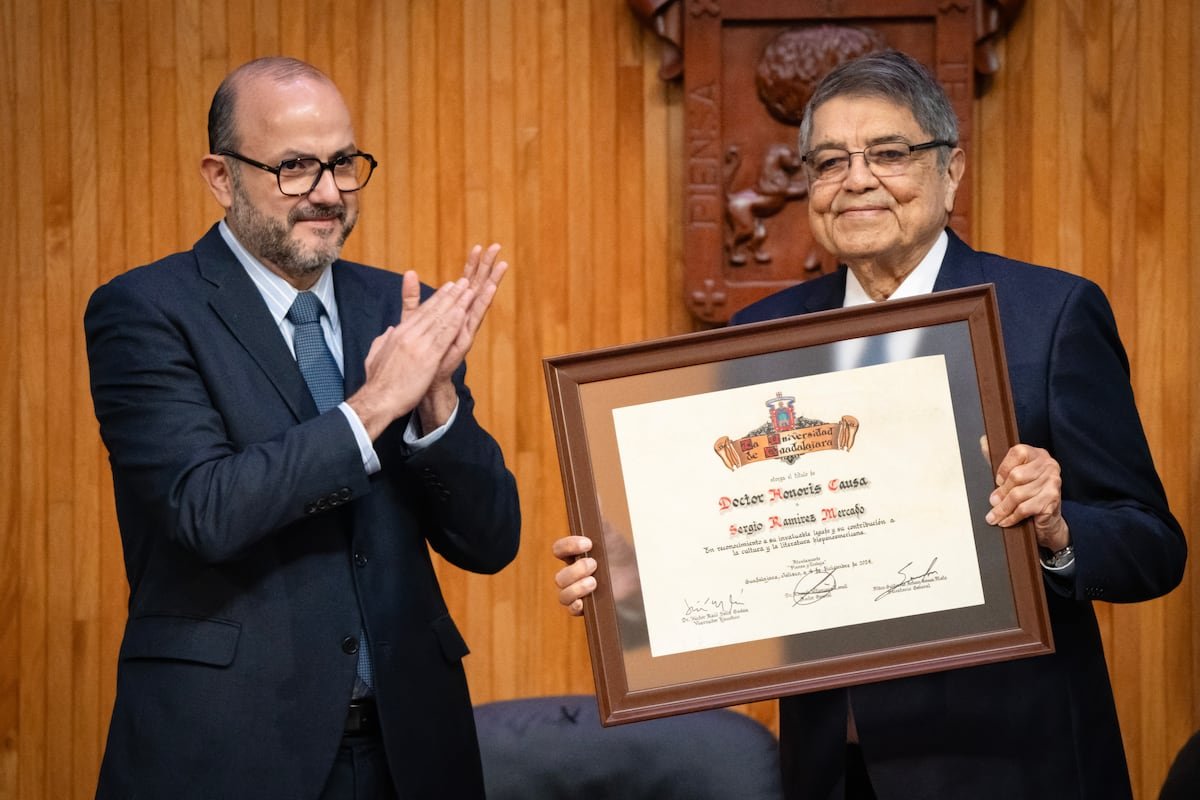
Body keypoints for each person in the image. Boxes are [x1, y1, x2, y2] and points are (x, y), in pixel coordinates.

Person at [553, 50, 1185, 800]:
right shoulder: (764, 333)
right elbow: (753, 543)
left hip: (1013, 761)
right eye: (829, 161)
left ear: (951, 171)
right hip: (835, 764)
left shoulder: (1048, 316)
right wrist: (639, 589)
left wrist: (1056, 530)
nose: (856, 179)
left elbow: (1151, 545)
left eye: (889, 154)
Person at [85, 57, 520, 799]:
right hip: (227, 747)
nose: (327, 194)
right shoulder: (145, 310)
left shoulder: (398, 307)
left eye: (343, 164)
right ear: (221, 177)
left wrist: (436, 403)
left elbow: (490, 542)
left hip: (408, 751)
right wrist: (377, 404)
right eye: (294, 167)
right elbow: (206, 508)